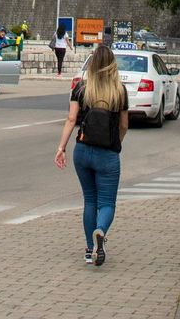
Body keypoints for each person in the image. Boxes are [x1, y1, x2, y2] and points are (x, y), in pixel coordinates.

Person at [54, 44, 129, 267]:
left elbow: (71, 119)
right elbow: (124, 125)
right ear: (112, 65)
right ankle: (101, 232)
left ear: (93, 65)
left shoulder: (82, 89)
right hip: (108, 154)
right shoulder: (119, 91)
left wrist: (61, 147)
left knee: (90, 200)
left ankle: (89, 250)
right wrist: (116, 143)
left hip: (83, 151)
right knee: (107, 203)